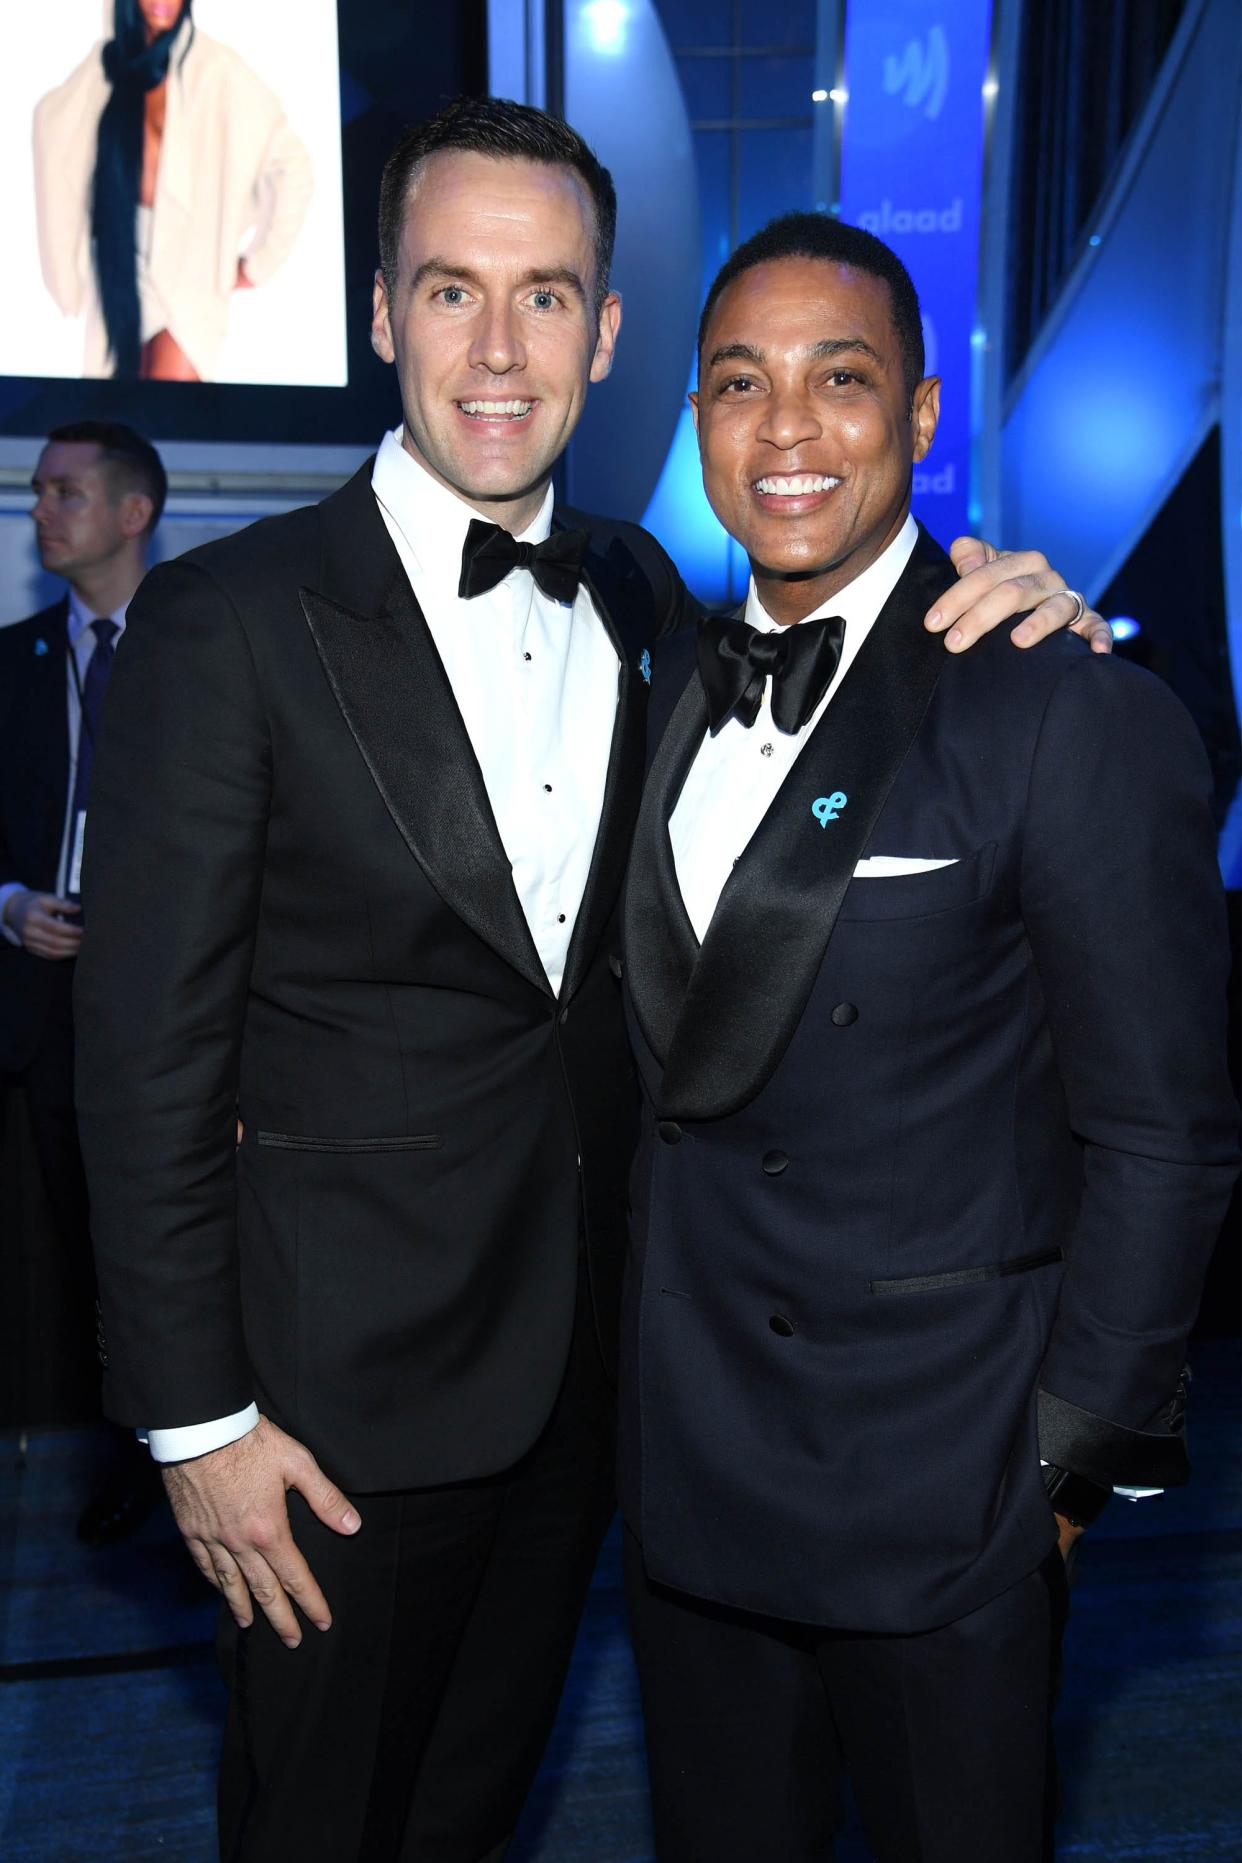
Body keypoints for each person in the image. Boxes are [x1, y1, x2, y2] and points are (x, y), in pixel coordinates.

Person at [74, 100, 1104, 1863]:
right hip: (323, 1425)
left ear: (606, 333)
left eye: (545, 296)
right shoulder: (227, 622)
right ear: (382, 313)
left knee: (473, 1816)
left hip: (593, 1401)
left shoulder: (640, 595)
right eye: (452, 291)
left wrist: (1012, 592)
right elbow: (141, 1056)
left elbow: (840, 668)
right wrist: (197, 1422)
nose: (497, 348)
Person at [619, 213, 1240, 1863]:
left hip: (939, 1490)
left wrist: (1063, 1466)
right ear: (695, 419)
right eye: (739, 384)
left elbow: (1164, 1130)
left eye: (841, 381)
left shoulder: (1057, 701)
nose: (786, 430)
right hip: (689, 1487)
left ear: (918, 413)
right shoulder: (660, 683)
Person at [0, 420, 167, 1542]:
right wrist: (8, 905)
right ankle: (102, 1450)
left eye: (65, 493)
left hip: (167, 1009)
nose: (40, 512)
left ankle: (163, 1453)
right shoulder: (9, 661)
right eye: (38, 493)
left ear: (130, 513)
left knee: (156, 1242)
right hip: (38, 1012)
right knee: (66, 1243)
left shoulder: (205, 647)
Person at [33, 0, 312, 381]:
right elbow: (53, 124)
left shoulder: (216, 69)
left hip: (188, 276)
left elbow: (292, 165)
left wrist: (256, 264)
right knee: (115, 427)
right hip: (120, 269)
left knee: (168, 418)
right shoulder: (105, 66)